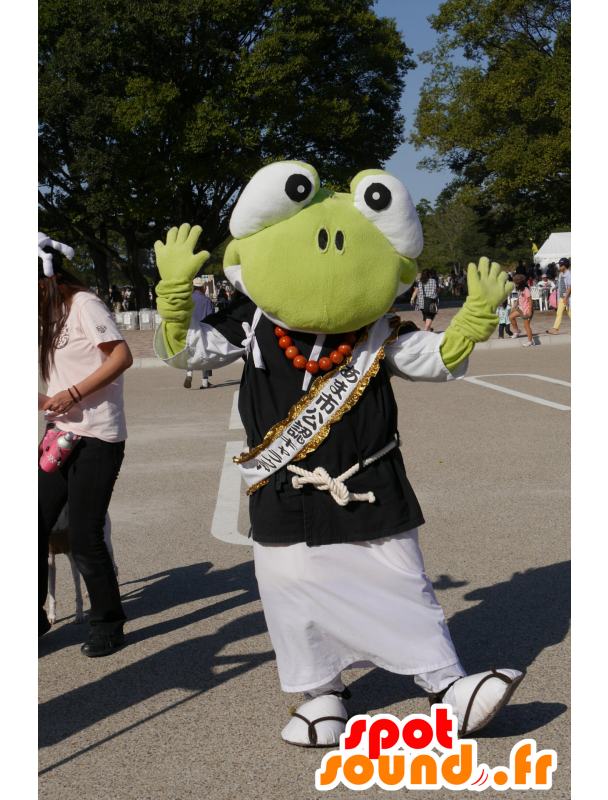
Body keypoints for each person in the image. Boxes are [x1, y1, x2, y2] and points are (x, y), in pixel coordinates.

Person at [153, 163, 523, 748]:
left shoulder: (377, 327)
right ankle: (321, 692)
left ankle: (446, 685)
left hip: (368, 476)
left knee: (400, 577)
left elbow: (431, 359)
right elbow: (188, 353)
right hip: (284, 483)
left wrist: (471, 324)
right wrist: (175, 296)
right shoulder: (250, 323)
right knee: (289, 588)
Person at [38, 233, 133, 655]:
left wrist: (73, 394)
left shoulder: (83, 304)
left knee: (83, 533)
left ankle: (108, 623)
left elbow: (121, 356)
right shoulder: (45, 313)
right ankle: (35, 618)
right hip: (60, 434)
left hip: (98, 434)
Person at [185, 277, 216, 388]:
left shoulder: (188, 300)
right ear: (204, 288)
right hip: (203, 330)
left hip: (189, 330)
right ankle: (204, 381)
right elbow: (211, 317)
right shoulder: (207, 301)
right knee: (205, 354)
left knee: (190, 352)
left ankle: (189, 373)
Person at [546, 257, 571, 335]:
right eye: (560, 265)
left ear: (565, 265)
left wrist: (566, 298)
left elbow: (571, 286)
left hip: (569, 297)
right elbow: (560, 286)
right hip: (561, 297)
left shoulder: (569, 274)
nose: (560, 266)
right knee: (559, 312)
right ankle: (555, 329)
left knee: (570, 313)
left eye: (561, 265)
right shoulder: (560, 275)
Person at [508, 274, 534, 346]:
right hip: (521, 308)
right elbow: (519, 297)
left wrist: (530, 311)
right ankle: (517, 331)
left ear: (519, 283)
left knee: (526, 325)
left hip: (527, 310)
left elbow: (530, 300)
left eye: (515, 283)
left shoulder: (526, 290)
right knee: (511, 317)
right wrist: (516, 302)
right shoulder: (520, 290)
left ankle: (530, 341)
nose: (515, 285)